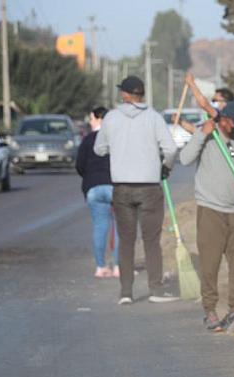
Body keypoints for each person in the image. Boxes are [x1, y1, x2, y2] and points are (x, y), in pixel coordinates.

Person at [94, 76, 178, 305]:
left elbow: (99, 149)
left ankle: (126, 293)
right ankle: (156, 290)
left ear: (125, 95)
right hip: (150, 187)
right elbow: (170, 149)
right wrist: (164, 168)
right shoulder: (154, 118)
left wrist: (118, 148)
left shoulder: (111, 118)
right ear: (141, 95)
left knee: (127, 240)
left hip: (122, 188)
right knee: (151, 241)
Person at [179, 101, 234, 332]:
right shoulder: (209, 138)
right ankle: (210, 310)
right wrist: (202, 134)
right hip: (210, 210)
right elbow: (185, 158)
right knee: (210, 264)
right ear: (223, 119)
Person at [76, 106, 118, 279]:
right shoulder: (115, 139)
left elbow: (79, 166)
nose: (90, 122)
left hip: (92, 188)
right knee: (120, 228)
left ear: (98, 119)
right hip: (114, 186)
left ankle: (100, 267)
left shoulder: (87, 140)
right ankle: (118, 267)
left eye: (91, 119)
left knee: (100, 227)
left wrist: (91, 177)